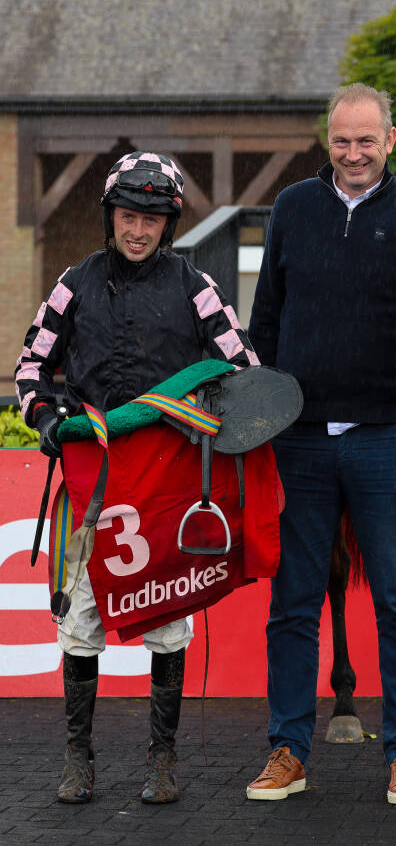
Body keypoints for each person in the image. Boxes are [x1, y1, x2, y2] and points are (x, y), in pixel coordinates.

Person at [246, 82, 396, 805]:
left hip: (390, 439)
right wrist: (254, 415)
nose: (353, 153)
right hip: (300, 441)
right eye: (342, 140)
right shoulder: (291, 208)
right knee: (293, 603)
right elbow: (266, 320)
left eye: (366, 141)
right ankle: (287, 749)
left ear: (390, 141)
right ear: (328, 140)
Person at [15, 152, 258, 806]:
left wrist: (203, 405)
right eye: (128, 216)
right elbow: (31, 365)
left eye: (151, 219)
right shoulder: (73, 282)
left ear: (168, 224)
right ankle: (79, 759)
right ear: (111, 216)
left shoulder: (196, 285)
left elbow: (244, 367)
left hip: (165, 486)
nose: (138, 230)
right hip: (91, 482)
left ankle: (163, 758)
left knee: (168, 622)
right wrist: (45, 415)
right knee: (79, 622)